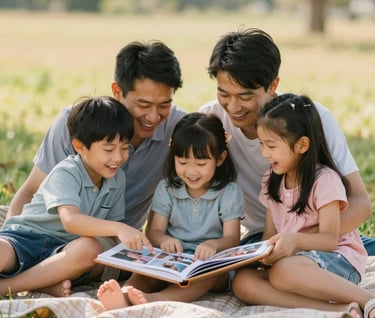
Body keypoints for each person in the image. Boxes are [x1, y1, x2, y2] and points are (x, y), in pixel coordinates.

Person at [4, 40, 186, 284]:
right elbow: (32, 190)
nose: (153, 117)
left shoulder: (179, 129)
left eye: (164, 105)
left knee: (94, 254)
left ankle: (33, 283)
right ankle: (28, 281)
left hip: (90, 246)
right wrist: (9, 235)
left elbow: (210, 142)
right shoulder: (78, 124)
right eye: (143, 104)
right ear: (117, 91)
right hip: (38, 230)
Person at [198, 27, 374, 254]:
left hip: (325, 234)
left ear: (273, 85)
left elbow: (361, 203)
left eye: (245, 96)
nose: (233, 107)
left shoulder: (310, 118)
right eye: (224, 94)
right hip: (260, 237)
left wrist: (297, 241)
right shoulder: (210, 121)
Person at [231, 93, 375, 318]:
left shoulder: (324, 180)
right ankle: (340, 310)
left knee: (283, 272)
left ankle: (369, 300)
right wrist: (263, 256)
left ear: (301, 145)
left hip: (337, 261)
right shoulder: (272, 179)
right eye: (261, 144)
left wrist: (294, 241)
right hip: (294, 265)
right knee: (243, 282)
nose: (264, 153)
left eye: (271, 145)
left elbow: (329, 239)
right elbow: (269, 235)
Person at [0, 96, 153, 297]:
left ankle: (24, 284)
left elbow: (108, 232)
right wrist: (119, 228)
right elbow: (70, 221)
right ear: (80, 146)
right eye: (108, 149)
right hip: (28, 238)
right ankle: (25, 285)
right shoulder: (67, 172)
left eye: (124, 148)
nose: (118, 157)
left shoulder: (117, 179)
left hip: (64, 252)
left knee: (91, 250)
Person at [97, 112, 244, 311]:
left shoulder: (229, 191)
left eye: (201, 164)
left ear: (220, 158)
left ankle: (154, 300)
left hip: (209, 267)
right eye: (182, 162)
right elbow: (154, 232)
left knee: (204, 277)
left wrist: (213, 244)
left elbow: (232, 238)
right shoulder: (166, 188)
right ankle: (124, 295)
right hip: (171, 262)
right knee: (143, 274)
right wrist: (164, 240)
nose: (191, 171)